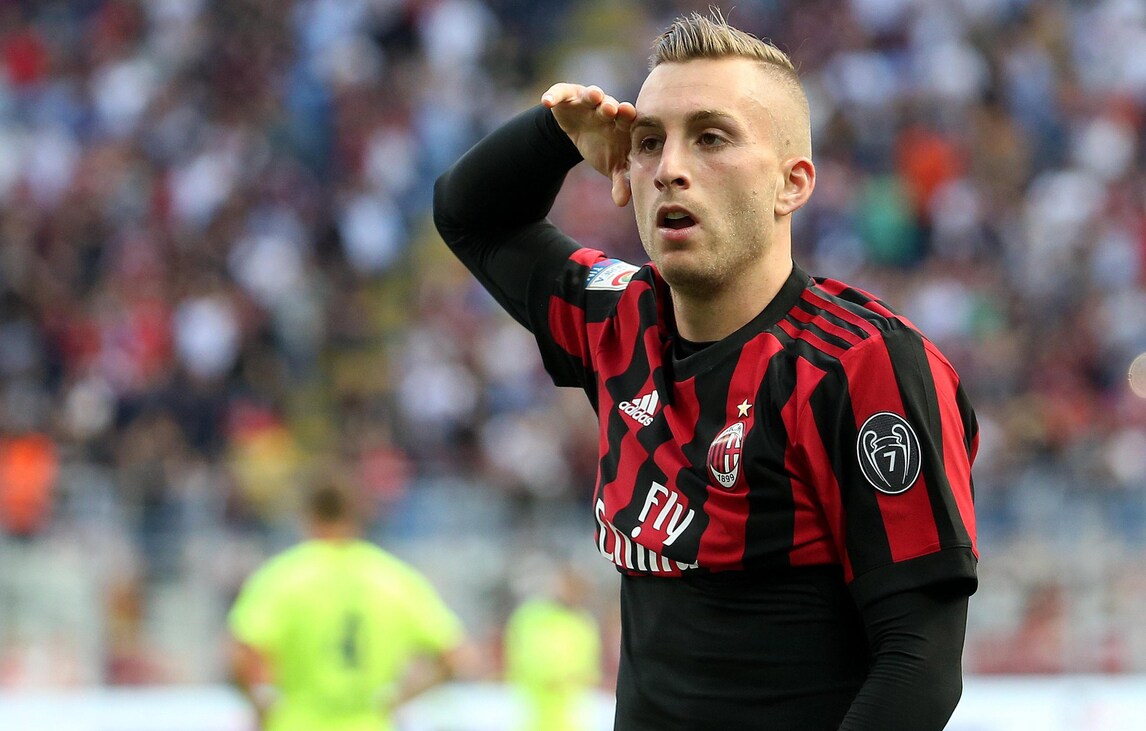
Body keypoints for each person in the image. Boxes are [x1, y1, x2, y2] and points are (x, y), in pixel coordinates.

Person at [433, 9, 978, 730]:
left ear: (792, 184)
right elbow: (470, 216)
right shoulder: (617, 319)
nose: (670, 168)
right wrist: (555, 135)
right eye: (648, 142)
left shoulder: (861, 364)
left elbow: (919, 664)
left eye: (711, 137)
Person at [226, 470, 475, 731]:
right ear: (359, 516)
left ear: (308, 516)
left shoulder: (282, 577)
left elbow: (239, 656)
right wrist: (399, 700)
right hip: (370, 723)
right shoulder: (394, 578)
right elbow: (457, 657)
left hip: (296, 722)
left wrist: (262, 709)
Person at [504, 563, 603, 731]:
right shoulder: (532, 616)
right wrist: (557, 677)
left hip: (572, 719)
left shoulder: (584, 623)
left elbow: (589, 668)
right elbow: (525, 657)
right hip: (532, 715)